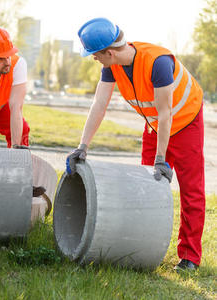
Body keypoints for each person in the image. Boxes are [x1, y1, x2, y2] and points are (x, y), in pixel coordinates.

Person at [66, 18, 205, 271]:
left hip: (185, 122)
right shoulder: (112, 66)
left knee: (191, 190)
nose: (93, 60)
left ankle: (189, 257)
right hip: (155, 125)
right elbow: (99, 104)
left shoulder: (158, 63)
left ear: (109, 52)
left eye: (95, 56)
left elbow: (166, 112)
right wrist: (82, 146)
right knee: (146, 187)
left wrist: (161, 158)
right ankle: (145, 247)